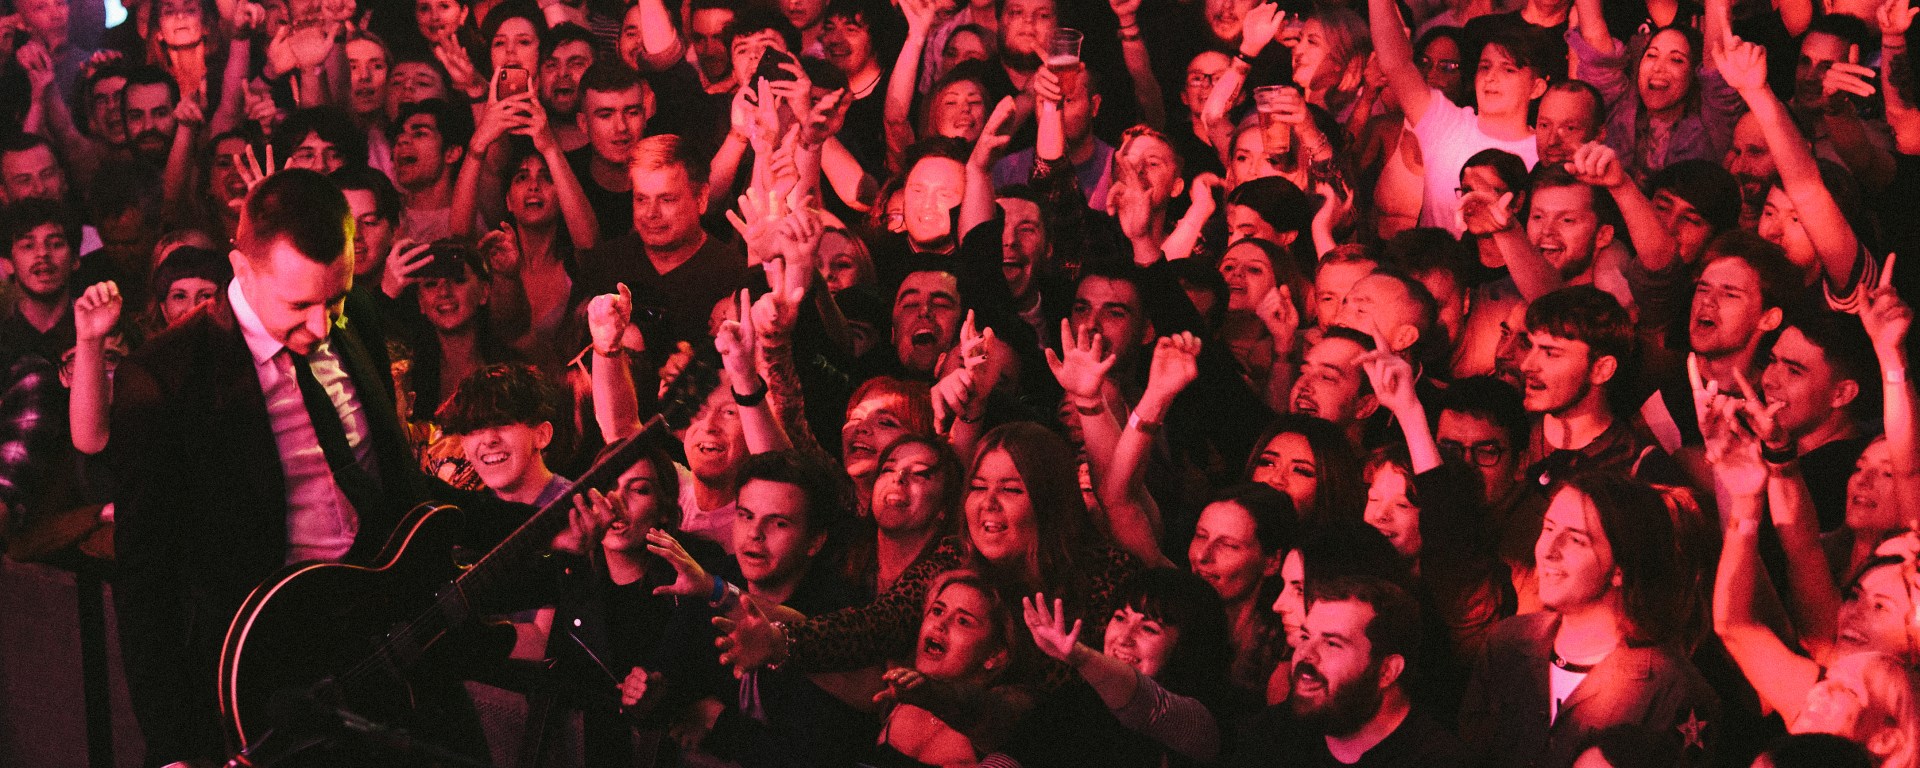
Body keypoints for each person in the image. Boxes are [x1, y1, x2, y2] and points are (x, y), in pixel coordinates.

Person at [106, 170, 437, 766]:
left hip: (379, 643)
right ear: (241, 268)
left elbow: (395, 483)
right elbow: (145, 584)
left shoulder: (355, 320)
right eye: (300, 305)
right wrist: (174, 749)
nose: (321, 326)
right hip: (264, 672)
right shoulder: (164, 380)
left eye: (334, 299)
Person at [1461, 473, 1720, 768]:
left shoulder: (1674, 692)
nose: (1548, 551)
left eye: (1576, 539)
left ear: (1621, 568)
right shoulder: (1507, 643)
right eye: (1548, 528)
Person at [1235, 575, 1474, 767]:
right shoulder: (1269, 736)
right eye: (1305, 636)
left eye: (1332, 643)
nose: (1305, 653)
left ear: (1387, 671)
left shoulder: (1438, 760)